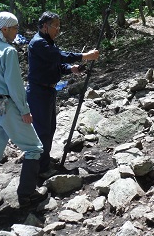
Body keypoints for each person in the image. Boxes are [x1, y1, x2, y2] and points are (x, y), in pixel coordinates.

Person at [0, 12, 48, 217]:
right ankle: (27, 195)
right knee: (34, 147)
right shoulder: (8, 51)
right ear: (4, 29)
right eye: (15, 28)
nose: (17, 32)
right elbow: (15, 86)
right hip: (7, 105)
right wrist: (25, 111)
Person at [26, 11, 99, 178]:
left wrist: (71, 69)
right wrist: (84, 56)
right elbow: (58, 56)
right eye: (55, 26)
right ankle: (41, 169)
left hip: (48, 90)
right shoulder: (38, 43)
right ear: (45, 26)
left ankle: (44, 160)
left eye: (59, 26)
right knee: (43, 130)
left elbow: (55, 64)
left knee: (50, 128)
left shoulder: (48, 42)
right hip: (39, 92)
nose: (58, 29)